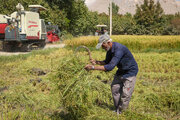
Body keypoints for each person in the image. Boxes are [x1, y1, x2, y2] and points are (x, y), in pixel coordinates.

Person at [84, 34, 138, 114]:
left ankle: (122, 113)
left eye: (103, 45)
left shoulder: (119, 49)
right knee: (114, 88)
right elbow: (107, 62)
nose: (102, 48)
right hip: (121, 70)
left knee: (125, 94)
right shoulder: (109, 50)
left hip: (130, 71)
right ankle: (117, 109)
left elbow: (109, 67)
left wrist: (92, 67)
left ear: (108, 42)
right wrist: (96, 62)